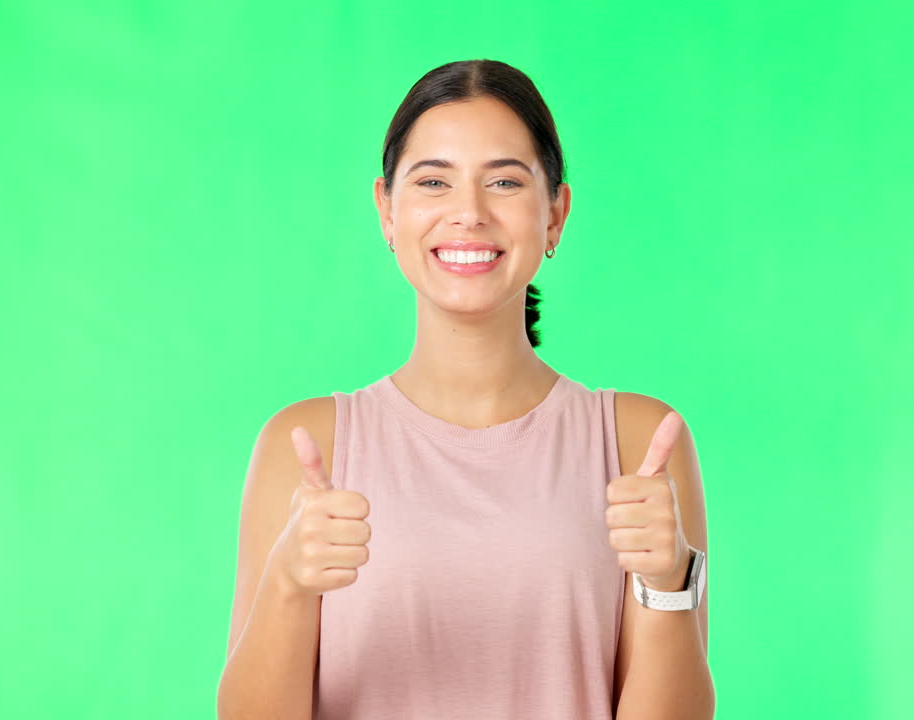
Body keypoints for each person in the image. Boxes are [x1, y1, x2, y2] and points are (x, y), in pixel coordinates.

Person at [217, 59, 715, 720]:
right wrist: (287, 584)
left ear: (556, 213)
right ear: (386, 211)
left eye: (505, 181)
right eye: (433, 182)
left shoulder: (640, 442)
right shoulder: (306, 443)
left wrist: (667, 585)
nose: (469, 214)